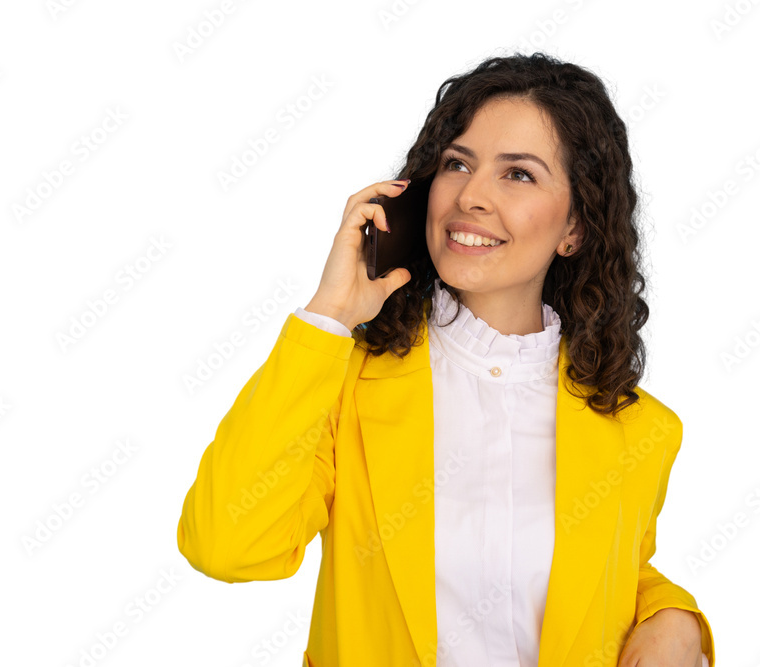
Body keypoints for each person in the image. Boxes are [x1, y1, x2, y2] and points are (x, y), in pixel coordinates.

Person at [177, 51, 715, 667]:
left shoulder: (638, 428)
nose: (471, 196)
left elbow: (610, 575)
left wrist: (674, 616)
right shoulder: (343, 385)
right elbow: (226, 544)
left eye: (518, 174)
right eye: (458, 164)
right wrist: (330, 313)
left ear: (575, 228)